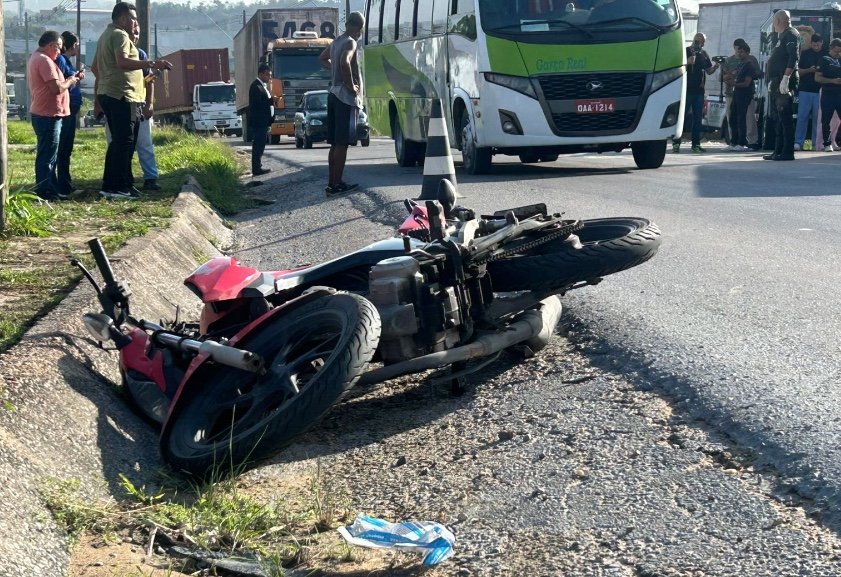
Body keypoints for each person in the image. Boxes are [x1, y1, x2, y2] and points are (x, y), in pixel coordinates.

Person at [92, 2, 171, 199]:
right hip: (122, 95)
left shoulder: (105, 36)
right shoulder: (119, 35)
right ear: (123, 19)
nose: (136, 24)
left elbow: (95, 67)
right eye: (133, 19)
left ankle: (116, 184)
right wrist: (153, 63)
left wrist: (106, 82)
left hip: (115, 93)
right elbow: (122, 62)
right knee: (124, 142)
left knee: (120, 142)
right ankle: (116, 186)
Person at [27, 30, 79, 201]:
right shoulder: (44, 61)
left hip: (45, 113)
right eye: (58, 47)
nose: (60, 51)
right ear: (51, 45)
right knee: (48, 155)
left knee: (49, 154)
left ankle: (49, 187)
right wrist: (71, 80)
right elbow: (56, 88)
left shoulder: (39, 58)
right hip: (48, 114)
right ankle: (45, 191)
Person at [319, 10, 365, 195]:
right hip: (344, 97)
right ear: (358, 28)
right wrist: (351, 85)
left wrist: (334, 70)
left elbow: (322, 58)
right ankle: (337, 183)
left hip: (333, 94)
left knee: (334, 143)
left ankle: (332, 183)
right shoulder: (350, 42)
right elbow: (345, 63)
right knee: (342, 143)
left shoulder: (336, 41)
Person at [674, 33, 720, 154]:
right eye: (697, 41)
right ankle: (676, 143)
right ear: (693, 40)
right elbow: (677, 67)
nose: (699, 43)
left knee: (698, 119)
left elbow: (708, 70)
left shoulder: (704, 54)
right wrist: (687, 62)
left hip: (699, 92)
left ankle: (695, 144)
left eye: (701, 41)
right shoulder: (686, 51)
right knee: (682, 117)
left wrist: (716, 67)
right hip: (687, 90)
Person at [763, 10, 799, 161]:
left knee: (785, 117)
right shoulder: (781, 36)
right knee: (777, 117)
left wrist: (786, 78)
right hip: (775, 82)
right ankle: (777, 150)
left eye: (774, 22)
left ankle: (787, 151)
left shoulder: (791, 34)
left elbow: (793, 57)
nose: (773, 25)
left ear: (778, 21)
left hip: (783, 81)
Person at [55, 31, 84, 197]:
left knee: (67, 148)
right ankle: (63, 185)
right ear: (73, 45)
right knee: (63, 149)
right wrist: (75, 78)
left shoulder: (64, 61)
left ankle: (66, 183)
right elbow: (63, 82)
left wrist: (76, 77)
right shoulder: (61, 60)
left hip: (70, 109)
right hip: (65, 109)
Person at [133, 31, 161, 190]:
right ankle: (124, 178)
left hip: (140, 106)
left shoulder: (140, 55)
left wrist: (149, 104)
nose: (135, 35)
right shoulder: (113, 54)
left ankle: (151, 178)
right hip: (120, 105)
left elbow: (149, 80)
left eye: (137, 33)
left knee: (144, 143)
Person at [724, 40, 758, 152]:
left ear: (747, 53)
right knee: (733, 117)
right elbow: (731, 75)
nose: (739, 54)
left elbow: (747, 83)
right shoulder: (740, 65)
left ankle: (742, 143)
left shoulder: (749, 65)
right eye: (738, 52)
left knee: (741, 118)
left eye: (742, 52)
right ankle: (733, 142)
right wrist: (727, 76)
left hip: (745, 94)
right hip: (736, 94)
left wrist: (734, 83)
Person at [794, 34, 824, 151]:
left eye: (818, 43)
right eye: (814, 43)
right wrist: (809, 70)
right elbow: (798, 71)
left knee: (818, 118)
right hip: (805, 89)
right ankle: (798, 142)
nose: (816, 46)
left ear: (822, 43)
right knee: (802, 116)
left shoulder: (825, 54)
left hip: (820, 91)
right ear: (811, 43)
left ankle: (816, 143)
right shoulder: (805, 54)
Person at [815, 38, 841, 152]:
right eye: (836, 51)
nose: (838, 54)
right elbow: (817, 78)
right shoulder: (824, 60)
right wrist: (833, 81)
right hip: (828, 94)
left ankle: (835, 140)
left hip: (840, 95)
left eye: (840, 51)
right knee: (826, 120)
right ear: (831, 48)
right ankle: (826, 143)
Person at [248, 63, 273, 176]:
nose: (269, 77)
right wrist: (271, 100)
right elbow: (257, 104)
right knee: (258, 145)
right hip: (259, 122)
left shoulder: (262, 86)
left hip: (263, 121)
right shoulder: (256, 86)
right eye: (268, 75)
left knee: (261, 144)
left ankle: (258, 166)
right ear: (261, 74)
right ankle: (256, 168)